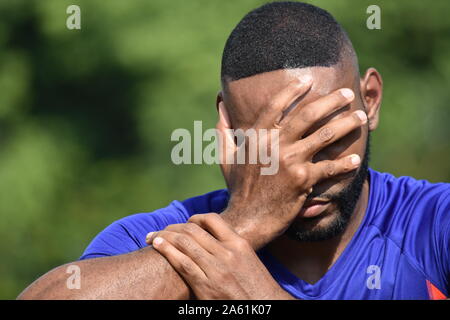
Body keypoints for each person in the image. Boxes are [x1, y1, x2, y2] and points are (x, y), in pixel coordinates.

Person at [18, 1, 449, 300]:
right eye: (274, 144)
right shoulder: (155, 238)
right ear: (228, 128)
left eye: (325, 135)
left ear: (369, 100)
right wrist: (242, 224)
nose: (303, 172)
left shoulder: (433, 226)